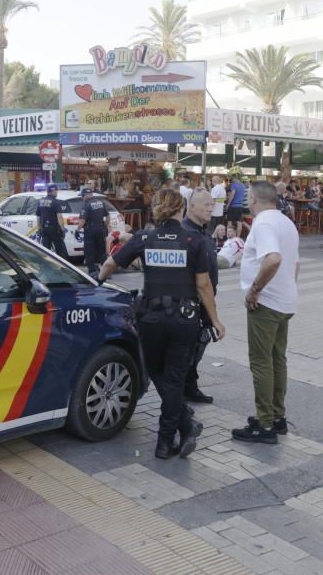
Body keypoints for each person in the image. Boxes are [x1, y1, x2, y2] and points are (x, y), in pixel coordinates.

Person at [98, 188, 224, 459]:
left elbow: (110, 264)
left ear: (157, 209)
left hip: (150, 320)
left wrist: (96, 281)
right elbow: (203, 285)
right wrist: (215, 320)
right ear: (181, 210)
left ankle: (183, 427)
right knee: (175, 379)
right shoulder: (194, 240)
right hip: (184, 320)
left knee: (157, 372)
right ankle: (166, 441)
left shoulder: (146, 237)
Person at [233, 180, 300, 445]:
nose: (247, 201)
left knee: (261, 362)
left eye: (248, 196)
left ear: (255, 199)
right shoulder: (286, 222)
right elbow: (294, 265)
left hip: (267, 304)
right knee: (277, 360)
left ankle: (264, 424)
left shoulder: (263, 223)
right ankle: (277, 416)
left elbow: (273, 259)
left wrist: (255, 289)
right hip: (285, 301)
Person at [183, 188, 217, 404]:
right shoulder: (186, 233)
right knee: (189, 350)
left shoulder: (203, 232)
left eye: (211, 204)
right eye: (206, 204)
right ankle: (186, 390)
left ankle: (190, 385)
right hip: (191, 302)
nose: (210, 208)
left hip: (204, 301)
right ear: (191, 206)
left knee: (198, 346)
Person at [76, 187, 108, 275]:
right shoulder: (101, 202)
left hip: (90, 230)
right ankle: (106, 271)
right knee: (102, 251)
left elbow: (82, 220)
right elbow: (108, 216)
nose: (82, 198)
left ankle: (92, 271)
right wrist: (105, 227)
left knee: (89, 251)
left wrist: (77, 230)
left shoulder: (86, 205)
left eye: (82, 196)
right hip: (101, 229)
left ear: (85, 196)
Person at [36, 184, 68, 257]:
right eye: (56, 190)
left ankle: (46, 266)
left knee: (46, 251)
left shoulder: (41, 201)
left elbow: (38, 217)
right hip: (54, 229)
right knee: (60, 250)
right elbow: (59, 217)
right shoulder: (56, 202)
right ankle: (62, 267)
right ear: (53, 191)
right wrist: (63, 229)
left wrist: (39, 228)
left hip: (44, 229)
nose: (57, 192)